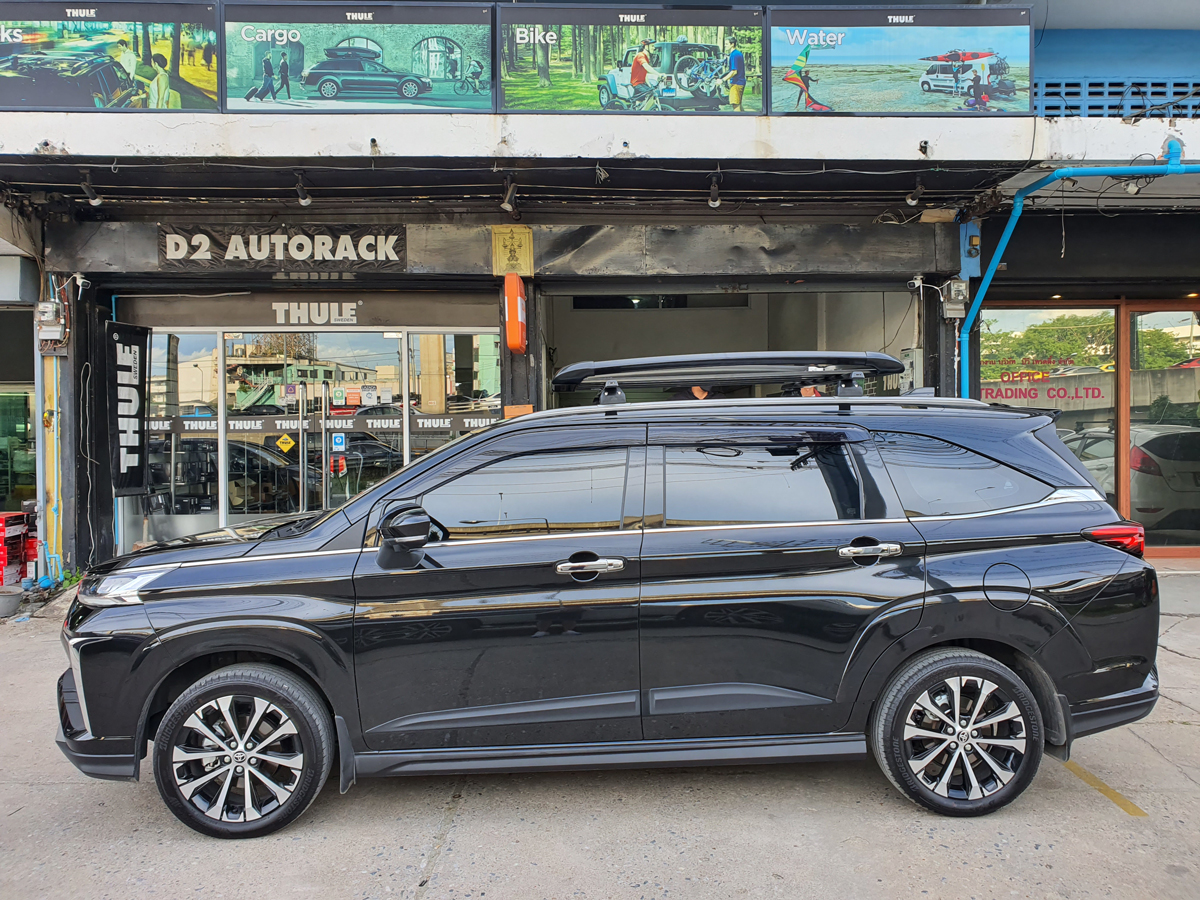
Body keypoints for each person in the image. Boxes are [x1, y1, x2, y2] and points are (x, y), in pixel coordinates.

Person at [629, 39, 660, 106]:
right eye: (652, 46)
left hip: (642, 83)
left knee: (639, 103)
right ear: (646, 46)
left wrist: (649, 84)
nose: (654, 48)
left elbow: (644, 73)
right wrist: (659, 74)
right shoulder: (640, 55)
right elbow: (646, 67)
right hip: (637, 83)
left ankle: (639, 112)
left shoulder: (646, 57)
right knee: (651, 94)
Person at [722, 36, 747, 112]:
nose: (725, 45)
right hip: (738, 82)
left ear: (732, 44)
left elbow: (734, 71)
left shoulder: (734, 55)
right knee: (738, 104)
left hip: (737, 83)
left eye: (726, 44)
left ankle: (739, 122)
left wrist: (722, 80)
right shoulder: (736, 53)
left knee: (735, 105)